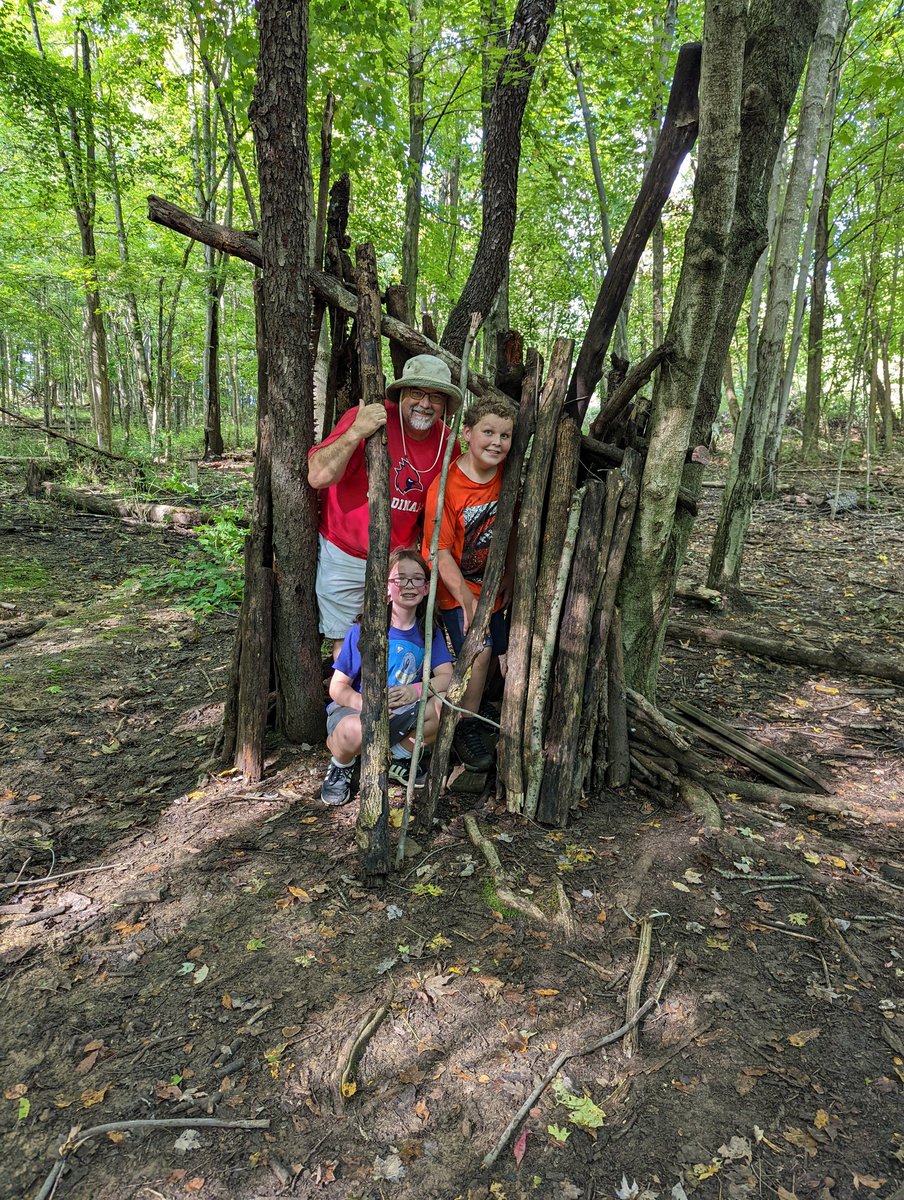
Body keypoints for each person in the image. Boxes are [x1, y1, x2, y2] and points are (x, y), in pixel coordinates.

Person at [308, 354, 462, 658]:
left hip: (398, 560)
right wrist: (356, 432)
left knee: (396, 637)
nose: (425, 404)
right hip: (345, 552)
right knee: (349, 641)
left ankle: (392, 702)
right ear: (402, 394)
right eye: (417, 393)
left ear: (445, 405)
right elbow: (317, 476)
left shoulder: (448, 441)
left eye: (435, 397)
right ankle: (353, 703)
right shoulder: (368, 417)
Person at [422, 396, 518, 773]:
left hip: (492, 587)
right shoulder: (445, 488)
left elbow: (511, 526)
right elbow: (439, 551)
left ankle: (478, 708)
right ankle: (465, 725)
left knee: (497, 652)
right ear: (467, 433)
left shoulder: (506, 473)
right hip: (456, 591)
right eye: (488, 432)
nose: (497, 442)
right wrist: (465, 599)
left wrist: (509, 570)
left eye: (505, 435)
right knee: (476, 654)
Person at [320, 549, 453, 806]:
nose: (409, 585)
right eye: (399, 579)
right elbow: (337, 688)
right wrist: (367, 704)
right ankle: (341, 764)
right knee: (352, 730)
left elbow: (447, 676)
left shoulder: (428, 632)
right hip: (358, 714)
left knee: (445, 705)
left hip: (402, 715)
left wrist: (416, 691)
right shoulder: (364, 630)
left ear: (426, 588)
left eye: (416, 579)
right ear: (385, 588)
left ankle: (397, 757)